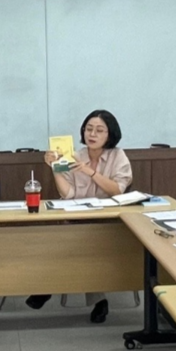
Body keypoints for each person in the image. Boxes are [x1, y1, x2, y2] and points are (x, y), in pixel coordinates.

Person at [28, 109, 134, 322]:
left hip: (109, 221)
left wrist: (90, 172)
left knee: (81, 242)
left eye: (99, 130)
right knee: (73, 240)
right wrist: (56, 168)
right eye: (89, 129)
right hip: (77, 218)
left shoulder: (118, 156)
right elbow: (68, 194)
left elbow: (117, 190)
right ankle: (98, 301)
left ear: (110, 134)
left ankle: (49, 286)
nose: (92, 134)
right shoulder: (74, 155)